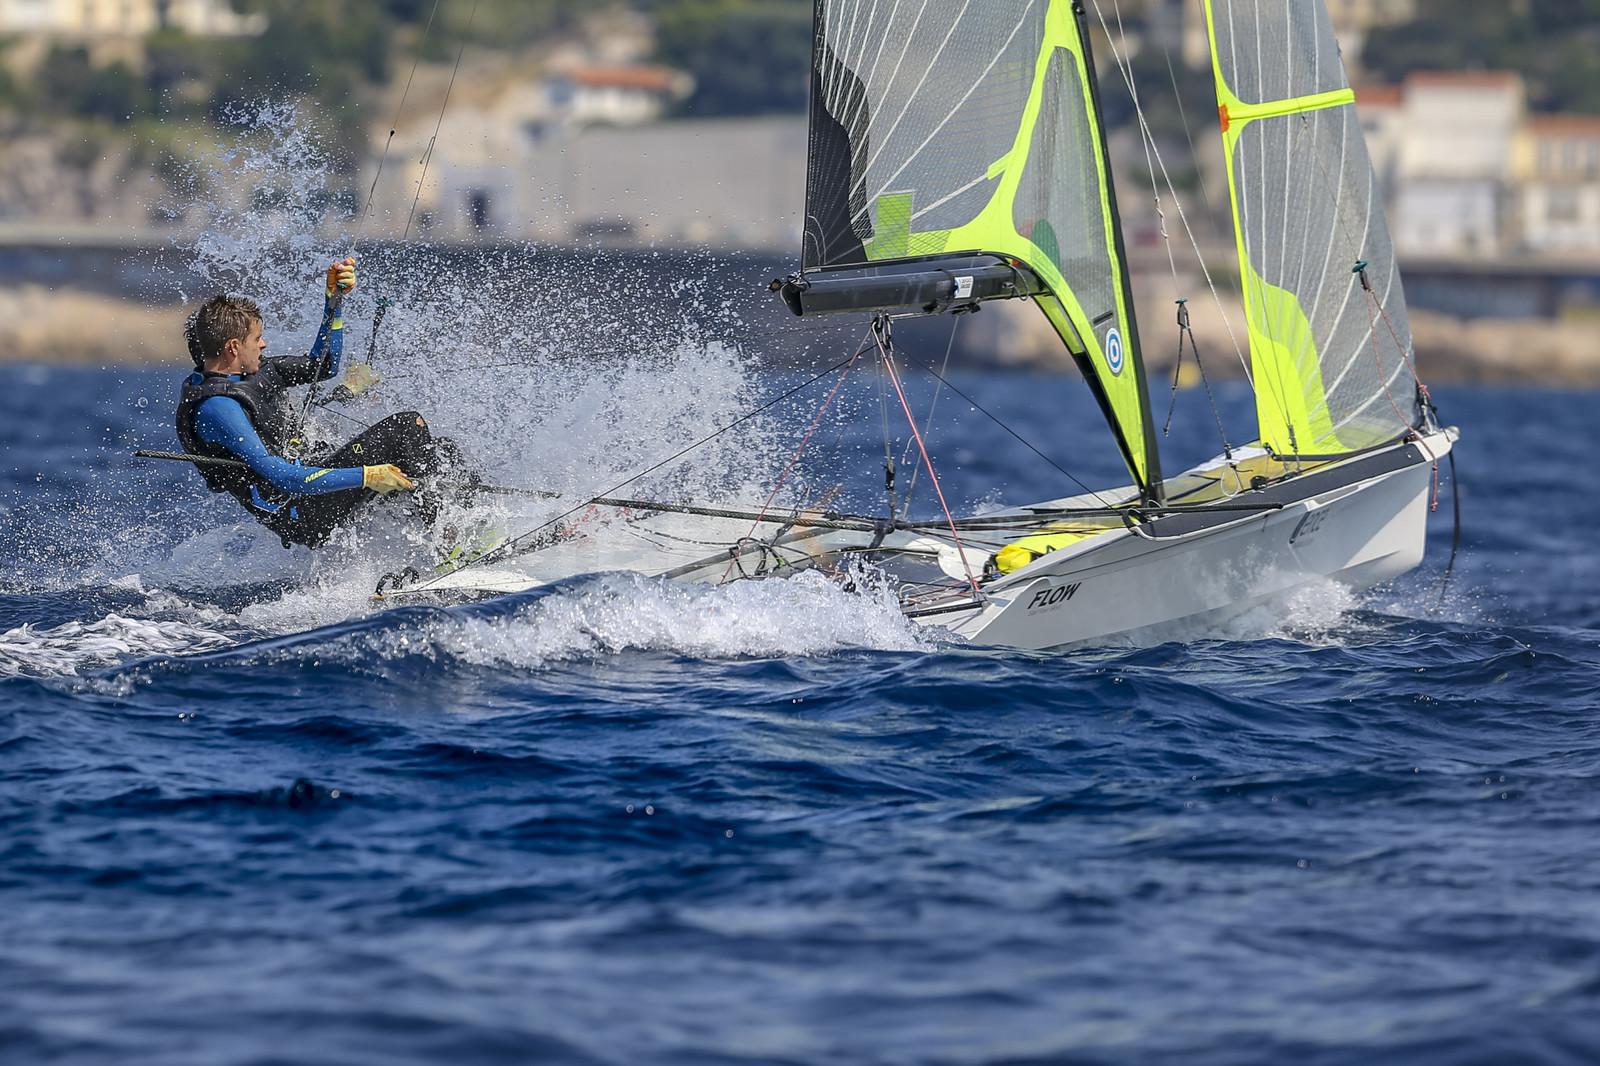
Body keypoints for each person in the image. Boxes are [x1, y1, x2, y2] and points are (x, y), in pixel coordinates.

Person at [175, 257, 457, 548]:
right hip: (300, 511)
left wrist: (333, 301)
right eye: (257, 339)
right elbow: (284, 479)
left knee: (441, 452)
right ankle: (451, 545)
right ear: (234, 347)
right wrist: (368, 475)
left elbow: (323, 366)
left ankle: (467, 531)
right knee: (407, 426)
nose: (264, 345)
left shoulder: (257, 373)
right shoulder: (217, 408)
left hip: (314, 488)